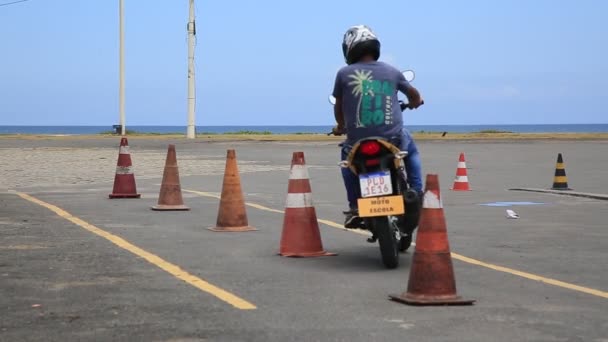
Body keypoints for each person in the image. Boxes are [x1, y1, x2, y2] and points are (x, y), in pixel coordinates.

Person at [331, 25, 424, 228]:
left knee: (346, 163)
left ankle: (355, 206)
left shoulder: (343, 73)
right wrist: (416, 102)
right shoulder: (391, 71)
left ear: (349, 48)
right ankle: (416, 191)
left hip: (357, 142)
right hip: (393, 139)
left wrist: (340, 125)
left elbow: (338, 107)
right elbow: (413, 95)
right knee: (412, 151)